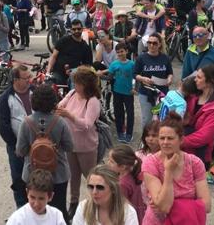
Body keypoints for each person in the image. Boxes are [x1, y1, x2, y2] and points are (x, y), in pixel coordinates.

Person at [16, 84, 74, 219]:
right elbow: (69, 147)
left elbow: (20, 150)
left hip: (32, 173)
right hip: (58, 174)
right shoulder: (60, 122)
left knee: (33, 213)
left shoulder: (27, 122)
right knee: (58, 211)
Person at [142, 112, 211, 224]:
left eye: (170, 138)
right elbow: (164, 207)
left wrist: (172, 204)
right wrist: (168, 172)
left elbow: (207, 205)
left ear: (181, 140)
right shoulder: (150, 162)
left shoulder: (195, 163)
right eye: (162, 138)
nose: (165, 142)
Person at [55, 66, 101, 216]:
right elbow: (61, 104)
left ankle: (95, 203)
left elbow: (87, 124)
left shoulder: (93, 101)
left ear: (86, 84)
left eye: (78, 83)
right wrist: (59, 107)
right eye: (74, 82)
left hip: (86, 146)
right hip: (70, 144)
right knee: (73, 176)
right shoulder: (73, 93)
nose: (75, 86)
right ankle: (73, 204)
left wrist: (69, 116)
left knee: (91, 177)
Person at [182, 64, 214, 183]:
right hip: (182, 150)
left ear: (210, 81)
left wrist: (178, 141)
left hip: (199, 153)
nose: (195, 79)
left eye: (199, 77)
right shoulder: (193, 95)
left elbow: (204, 136)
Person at [0, 65, 33, 208]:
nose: (29, 80)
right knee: (18, 180)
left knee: (37, 179)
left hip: (37, 145)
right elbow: (3, 125)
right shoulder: (6, 98)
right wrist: (16, 145)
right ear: (16, 80)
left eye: (30, 77)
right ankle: (21, 210)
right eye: (26, 78)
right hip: (16, 147)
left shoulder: (34, 92)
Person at [71, 165, 139, 225]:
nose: (94, 192)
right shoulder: (83, 207)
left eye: (100, 187)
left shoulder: (128, 212)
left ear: (113, 189)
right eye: (91, 187)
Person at [134, 33, 174, 128]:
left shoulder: (165, 58)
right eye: (149, 43)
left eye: (154, 43)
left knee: (160, 118)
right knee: (147, 119)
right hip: (146, 93)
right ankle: (146, 141)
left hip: (161, 94)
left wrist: (169, 79)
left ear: (159, 44)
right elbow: (135, 74)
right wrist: (143, 78)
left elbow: (170, 72)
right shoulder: (141, 58)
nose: (151, 45)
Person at [46, 19, 93, 85]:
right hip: (59, 72)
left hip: (75, 75)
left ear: (82, 29)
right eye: (74, 29)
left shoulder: (86, 47)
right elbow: (53, 56)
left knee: (75, 83)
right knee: (50, 83)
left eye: (79, 29)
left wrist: (76, 71)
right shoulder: (64, 40)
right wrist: (48, 72)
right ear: (71, 30)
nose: (76, 31)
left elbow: (87, 66)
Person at [107, 145, 145, 224]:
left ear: (122, 167)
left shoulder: (122, 184)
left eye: (111, 161)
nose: (108, 163)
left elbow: (121, 206)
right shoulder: (132, 174)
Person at [109, 43, 136, 142]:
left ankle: (129, 133)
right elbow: (110, 77)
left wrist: (135, 89)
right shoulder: (114, 64)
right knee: (118, 112)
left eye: (122, 51)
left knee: (130, 113)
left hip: (129, 93)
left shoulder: (132, 64)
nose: (120, 54)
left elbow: (136, 77)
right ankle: (120, 132)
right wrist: (99, 74)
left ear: (126, 51)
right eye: (118, 52)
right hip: (117, 92)